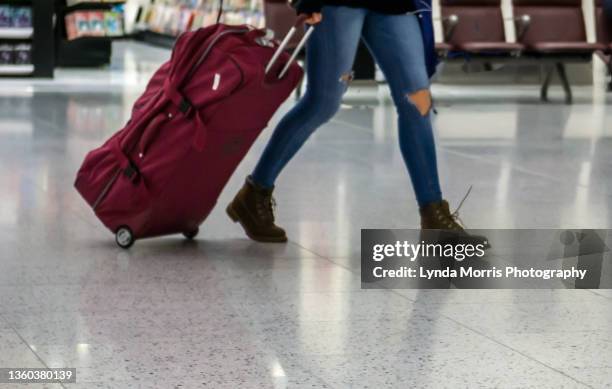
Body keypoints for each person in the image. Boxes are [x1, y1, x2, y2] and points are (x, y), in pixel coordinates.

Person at [226, 0, 486, 245]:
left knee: (417, 102)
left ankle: (434, 217)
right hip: (337, 4)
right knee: (322, 103)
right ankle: (255, 191)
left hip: (393, 6)